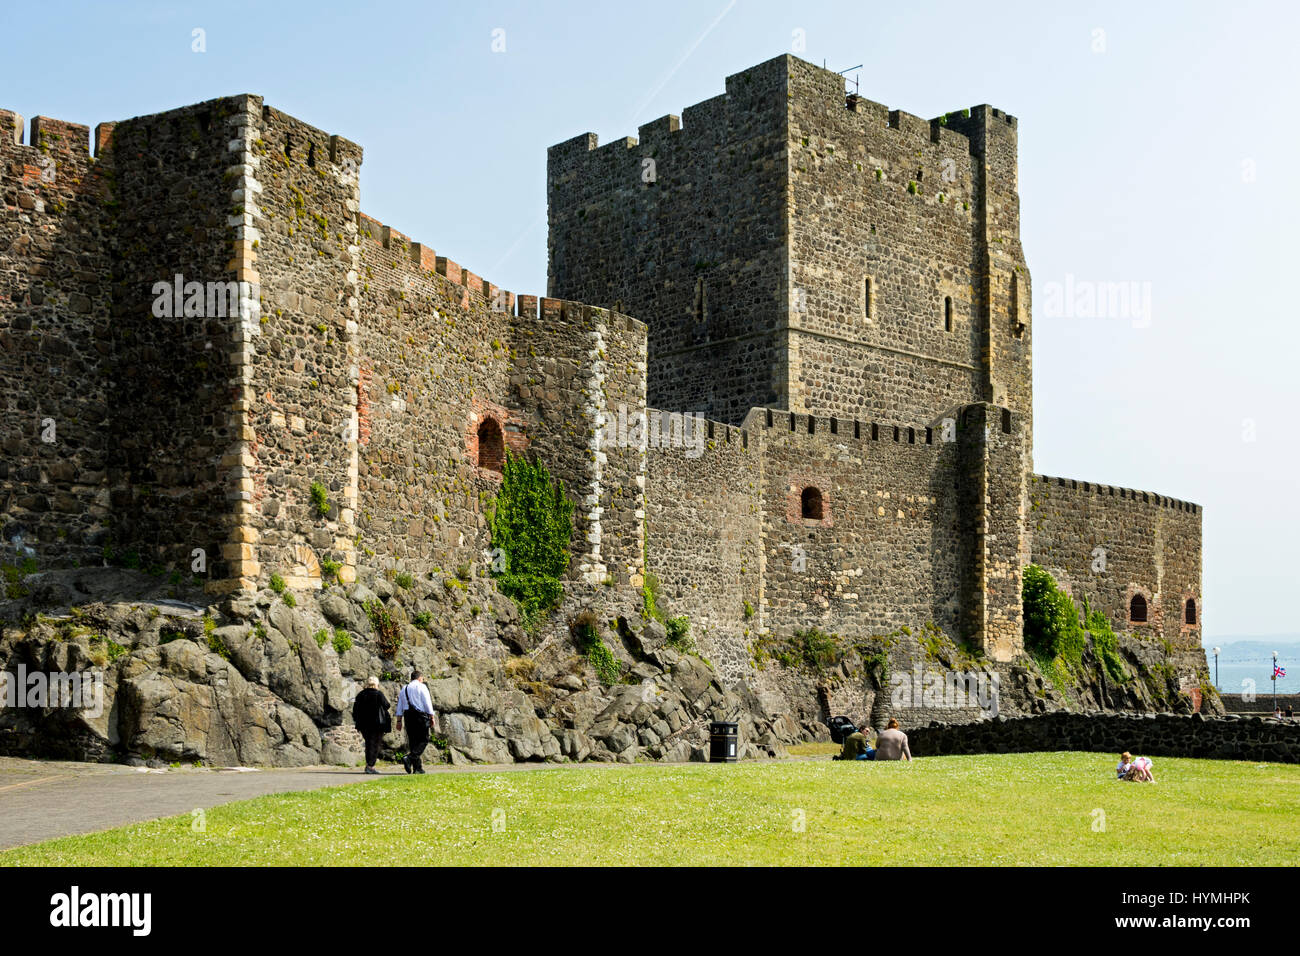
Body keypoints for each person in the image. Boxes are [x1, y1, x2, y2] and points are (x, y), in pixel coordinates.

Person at [395, 670, 434, 774]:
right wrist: (431, 716)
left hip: (408, 716)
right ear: (420, 678)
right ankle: (409, 758)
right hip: (420, 716)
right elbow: (427, 702)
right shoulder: (422, 687)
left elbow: (400, 706)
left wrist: (399, 721)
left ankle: (418, 768)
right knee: (424, 739)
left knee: (413, 741)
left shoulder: (404, 688)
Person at [351, 675, 391, 775]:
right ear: (376, 684)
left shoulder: (361, 694)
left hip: (364, 725)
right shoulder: (378, 694)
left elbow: (355, 710)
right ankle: (370, 766)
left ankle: (369, 765)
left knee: (369, 744)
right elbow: (387, 705)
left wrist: (357, 721)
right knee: (375, 745)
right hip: (377, 724)